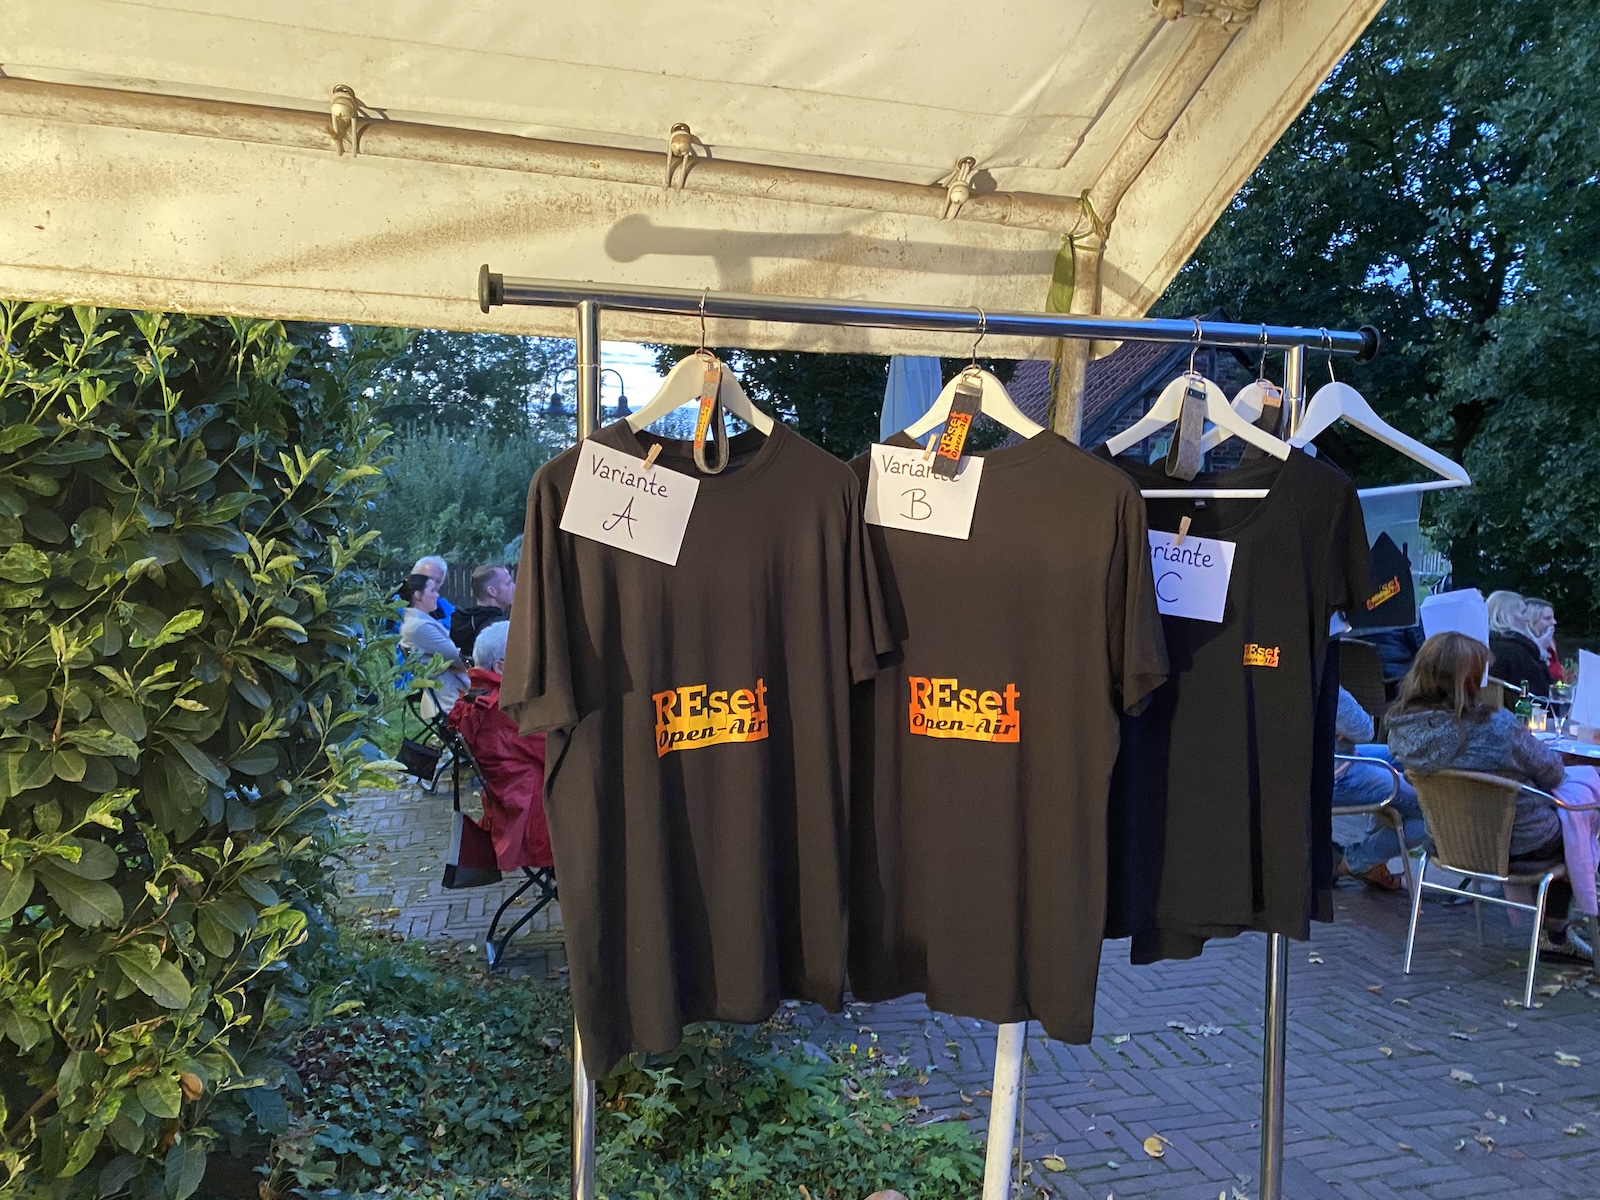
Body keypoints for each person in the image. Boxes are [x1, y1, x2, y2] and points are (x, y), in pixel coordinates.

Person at [1386, 631, 1589, 960]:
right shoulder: (1497, 727)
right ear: (1468, 679)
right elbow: (1553, 773)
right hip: (1518, 843)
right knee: (1578, 820)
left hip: (1448, 840)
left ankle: (1549, 926)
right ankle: (1555, 932)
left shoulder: (1401, 727)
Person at [445, 621, 552, 872]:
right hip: (536, 821)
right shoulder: (506, 710)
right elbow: (557, 753)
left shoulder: (476, 699)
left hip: (510, 811)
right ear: (500, 667)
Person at [1334, 686, 1430, 889]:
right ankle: (1358, 861)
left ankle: (1374, 861)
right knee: (1435, 811)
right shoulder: (1317, 675)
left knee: (1403, 757)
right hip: (1335, 772)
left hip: (1340, 753)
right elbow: (1364, 729)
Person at [397, 573, 470, 715]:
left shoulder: (417, 622)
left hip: (449, 691)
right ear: (418, 595)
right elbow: (459, 659)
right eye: (432, 591)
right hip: (452, 696)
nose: (437, 595)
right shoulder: (419, 627)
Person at [1486, 589, 1551, 700]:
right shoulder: (1518, 651)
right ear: (1506, 616)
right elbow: (1540, 692)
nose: (1527, 618)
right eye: (1523, 612)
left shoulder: (1482, 645)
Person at [450, 564, 517, 660]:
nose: (515, 587)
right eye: (508, 584)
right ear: (492, 591)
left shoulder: (463, 621)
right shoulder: (498, 628)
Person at [1523, 597, 1564, 684]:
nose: (1554, 622)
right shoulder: (1522, 645)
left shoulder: (1550, 642)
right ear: (1531, 620)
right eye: (1547, 618)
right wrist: (1540, 649)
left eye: (1553, 618)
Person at [411, 555, 456, 625]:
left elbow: (459, 621)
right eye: (429, 578)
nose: (433, 584)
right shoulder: (397, 605)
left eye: (438, 581)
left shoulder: (442, 605)